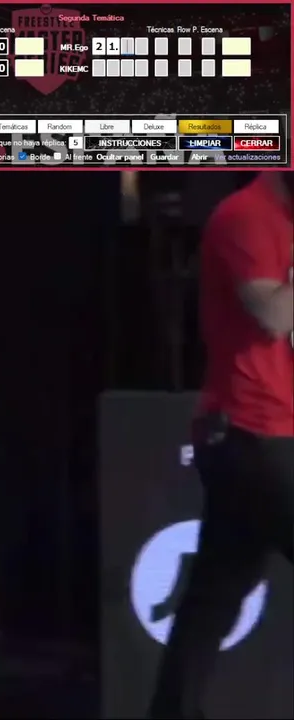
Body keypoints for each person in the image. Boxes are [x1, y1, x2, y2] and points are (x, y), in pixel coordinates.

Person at [148, 172, 293, 719]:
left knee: (216, 592)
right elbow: (273, 314)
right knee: (216, 591)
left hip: (269, 428)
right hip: (249, 431)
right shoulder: (246, 216)